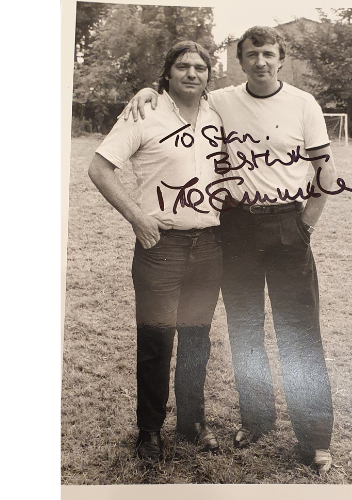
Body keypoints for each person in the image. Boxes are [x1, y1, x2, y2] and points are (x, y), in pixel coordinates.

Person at [122, 26, 337, 474]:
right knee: (245, 331)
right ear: (240, 61)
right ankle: (256, 421)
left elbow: (325, 174)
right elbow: (180, 91)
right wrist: (147, 88)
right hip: (235, 229)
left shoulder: (304, 103)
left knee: (299, 334)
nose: (261, 61)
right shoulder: (220, 101)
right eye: (252, 54)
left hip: (286, 224)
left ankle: (314, 438)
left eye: (269, 54)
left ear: (281, 58)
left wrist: (305, 226)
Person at [88, 41, 224, 461]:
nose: (191, 73)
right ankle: (149, 431)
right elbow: (99, 167)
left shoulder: (219, 114)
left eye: (199, 67)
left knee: (196, 339)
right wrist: (137, 216)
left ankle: (192, 421)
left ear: (208, 75)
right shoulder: (144, 113)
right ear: (167, 74)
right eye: (182, 66)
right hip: (161, 245)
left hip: (210, 244)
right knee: (155, 341)